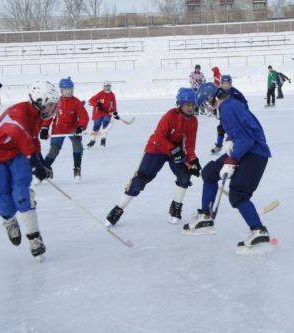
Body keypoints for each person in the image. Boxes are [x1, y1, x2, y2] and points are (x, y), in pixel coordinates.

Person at [185, 82, 272, 254]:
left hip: (255, 154)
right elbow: (241, 133)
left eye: (206, 104)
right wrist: (229, 140)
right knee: (209, 173)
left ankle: (259, 231)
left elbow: (248, 139)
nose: (207, 108)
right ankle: (205, 217)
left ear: (214, 98)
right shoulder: (228, 107)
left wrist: (232, 161)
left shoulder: (228, 109)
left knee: (238, 194)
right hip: (244, 150)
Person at [0, 81, 58, 258]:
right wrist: (33, 159)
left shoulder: (38, 115)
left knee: (23, 195)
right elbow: (18, 132)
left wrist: (39, 158)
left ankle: (34, 238)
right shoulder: (17, 112)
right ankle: (9, 221)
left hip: (17, 154)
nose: (52, 108)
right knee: (5, 202)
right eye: (50, 103)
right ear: (39, 100)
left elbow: (32, 138)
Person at [106, 88, 202, 226]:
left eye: (192, 104)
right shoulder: (170, 115)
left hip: (176, 152)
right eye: (187, 104)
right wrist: (173, 150)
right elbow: (159, 137)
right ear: (180, 104)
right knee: (140, 180)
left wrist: (192, 160)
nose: (190, 107)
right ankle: (118, 209)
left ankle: (176, 207)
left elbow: (190, 144)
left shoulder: (193, 121)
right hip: (156, 148)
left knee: (185, 176)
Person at [40, 77, 89, 182]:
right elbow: (48, 115)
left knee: (77, 146)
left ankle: (77, 169)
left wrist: (81, 127)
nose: (68, 92)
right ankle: (44, 170)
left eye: (69, 89)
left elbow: (84, 117)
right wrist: (45, 128)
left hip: (73, 129)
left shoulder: (76, 102)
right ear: (61, 90)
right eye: (65, 90)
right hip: (58, 129)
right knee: (54, 150)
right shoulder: (56, 101)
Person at [210, 75, 249, 154]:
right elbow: (214, 102)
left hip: (234, 117)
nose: (225, 85)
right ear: (221, 83)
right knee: (220, 128)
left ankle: (237, 145)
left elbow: (244, 102)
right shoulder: (218, 91)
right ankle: (218, 146)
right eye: (224, 83)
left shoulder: (235, 92)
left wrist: (244, 111)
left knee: (233, 131)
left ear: (230, 84)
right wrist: (213, 109)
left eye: (227, 83)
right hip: (223, 116)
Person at [86, 80, 118, 148]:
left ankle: (103, 139)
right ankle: (92, 140)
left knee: (106, 124)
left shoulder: (112, 95)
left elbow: (114, 104)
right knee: (96, 126)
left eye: (108, 86)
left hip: (107, 113)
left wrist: (115, 113)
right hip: (98, 113)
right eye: (106, 86)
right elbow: (90, 101)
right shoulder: (100, 94)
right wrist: (97, 104)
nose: (107, 88)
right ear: (103, 87)